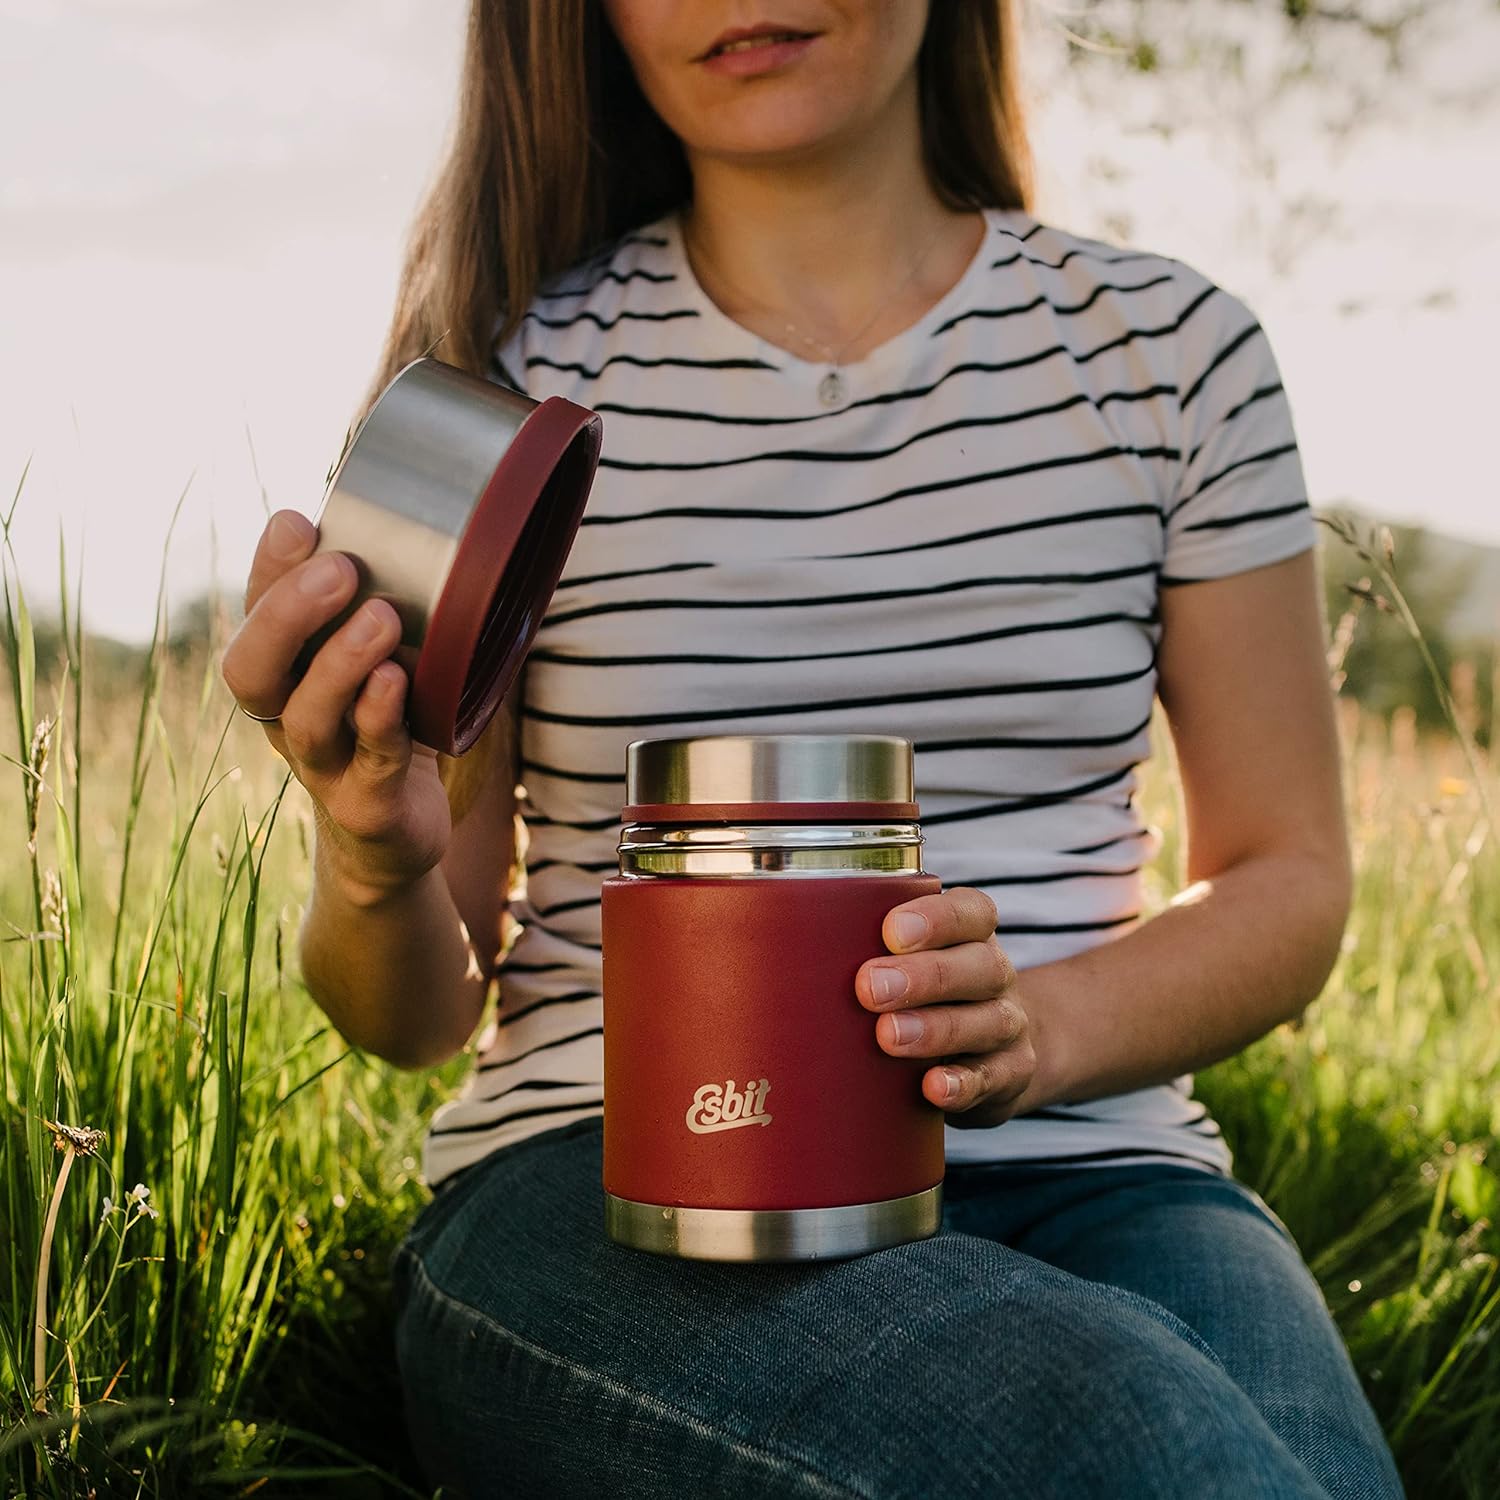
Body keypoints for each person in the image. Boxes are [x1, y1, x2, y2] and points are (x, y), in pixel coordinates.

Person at [221, 2, 1407, 1495]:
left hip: (1102, 1172)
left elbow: (1288, 875)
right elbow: (412, 1014)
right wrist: (369, 859)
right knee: (1142, 1438)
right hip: (623, 1176)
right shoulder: (501, 387)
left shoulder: (1174, 354)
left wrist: (1038, 1031)